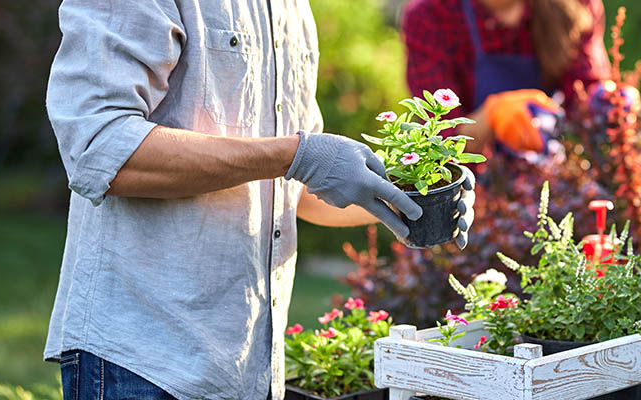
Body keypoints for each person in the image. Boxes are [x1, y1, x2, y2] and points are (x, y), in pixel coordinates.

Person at [43, 1, 475, 399]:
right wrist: (296, 155)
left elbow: (297, 189)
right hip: (143, 362)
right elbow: (99, 146)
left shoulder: (291, 8)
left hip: (251, 369)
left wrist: (412, 200)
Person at [402, 0, 610, 154]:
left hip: (558, 169)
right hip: (480, 189)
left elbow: (586, 96)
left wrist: (610, 102)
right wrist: (491, 116)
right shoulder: (430, 17)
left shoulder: (576, 5)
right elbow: (440, 139)